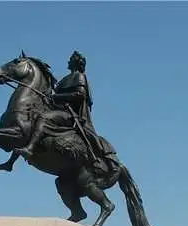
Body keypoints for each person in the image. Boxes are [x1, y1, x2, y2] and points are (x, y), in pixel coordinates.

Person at [15, 50, 114, 178]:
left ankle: (30, 148)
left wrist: (57, 97)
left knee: (43, 118)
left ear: (76, 63)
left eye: (71, 59)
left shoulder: (79, 76)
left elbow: (79, 94)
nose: (68, 61)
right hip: (59, 110)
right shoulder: (64, 79)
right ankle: (11, 161)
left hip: (70, 114)